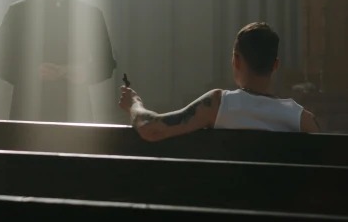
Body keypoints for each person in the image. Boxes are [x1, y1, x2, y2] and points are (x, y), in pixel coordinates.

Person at [120, 22, 321, 140]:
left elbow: (151, 128)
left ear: (235, 60)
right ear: (275, 65)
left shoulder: (217, 104)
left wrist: (134, 104)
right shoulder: (302, 119)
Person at [0, 0, 116, 122]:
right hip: (29, 115)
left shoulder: (91, 15)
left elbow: (107, 64)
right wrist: (31, 73)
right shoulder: (19, 12)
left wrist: (85, 72)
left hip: (74, 113)